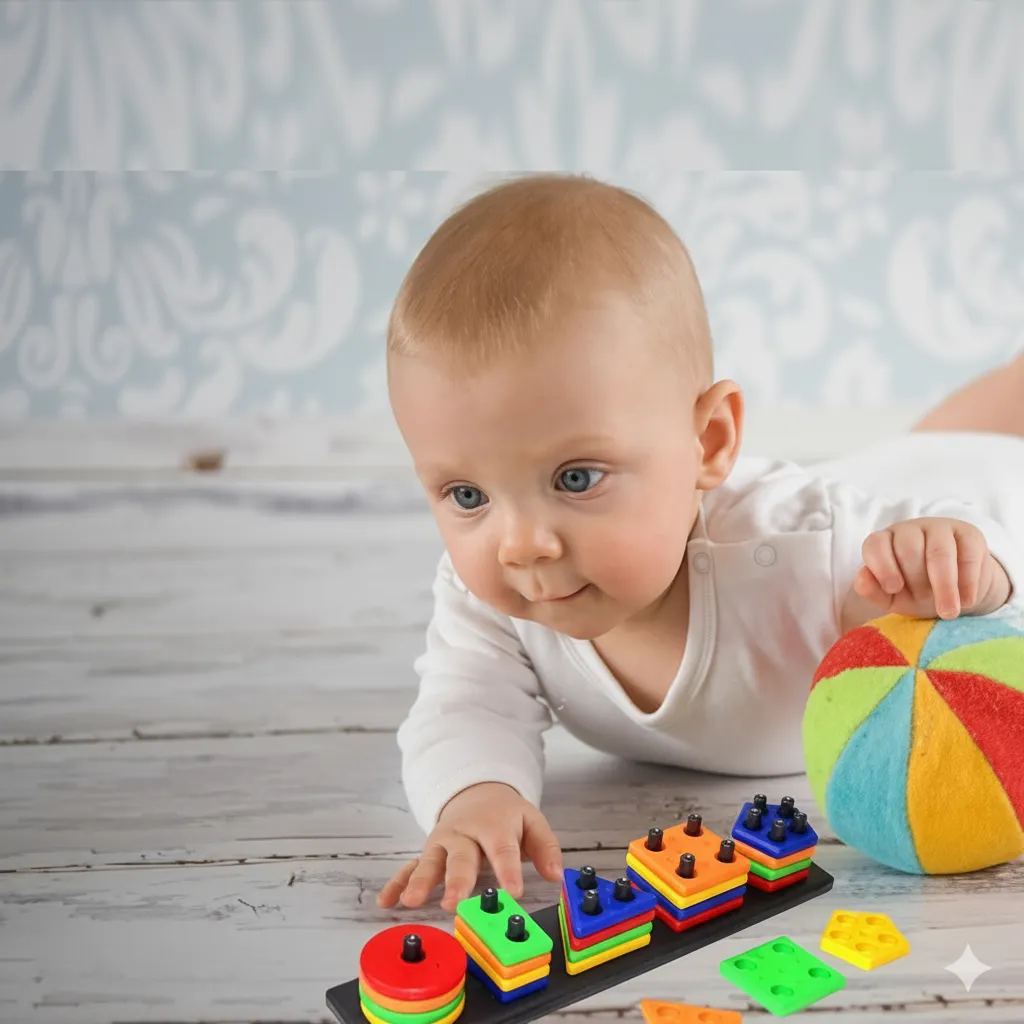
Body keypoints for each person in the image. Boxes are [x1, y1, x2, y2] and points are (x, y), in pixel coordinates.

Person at [375, 174, 1024, 913]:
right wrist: (474, 792)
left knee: (955, 454)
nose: (522, 546)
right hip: (882, 474)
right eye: (468, 496)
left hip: (990, 492)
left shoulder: (812, 545)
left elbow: (959, 552)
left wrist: (967, 560)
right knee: (918, 447)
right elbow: (462, 704)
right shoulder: (487, 600)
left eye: (576, 477)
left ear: (708, 441)